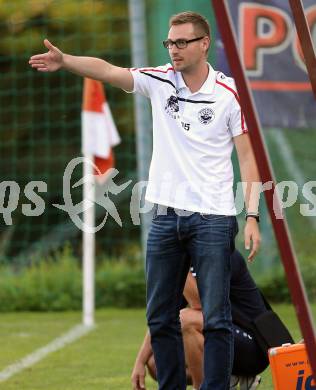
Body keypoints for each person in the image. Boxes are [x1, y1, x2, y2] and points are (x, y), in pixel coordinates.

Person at [29, 11, 261, 389]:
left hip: (214, 218)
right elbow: (107, 70)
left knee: (216, 319)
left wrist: (252, 217)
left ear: (204, 44)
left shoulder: (230, 94)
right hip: (165, 217)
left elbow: (249, 158)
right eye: (170, 42)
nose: (174, 50)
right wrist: (66, 60)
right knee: (160, 317)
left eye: (182, 42)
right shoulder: (160, 81)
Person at [131, 250, 269, 390]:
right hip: (224, 338)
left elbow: (200, 304)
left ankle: (207, 385)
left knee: (186, 320)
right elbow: (164, 316)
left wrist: (176, 262)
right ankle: (225, 379)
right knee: (155, 362)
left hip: (253, 347)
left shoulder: (220, 250)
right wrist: (140, 362)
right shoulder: (187, 261)